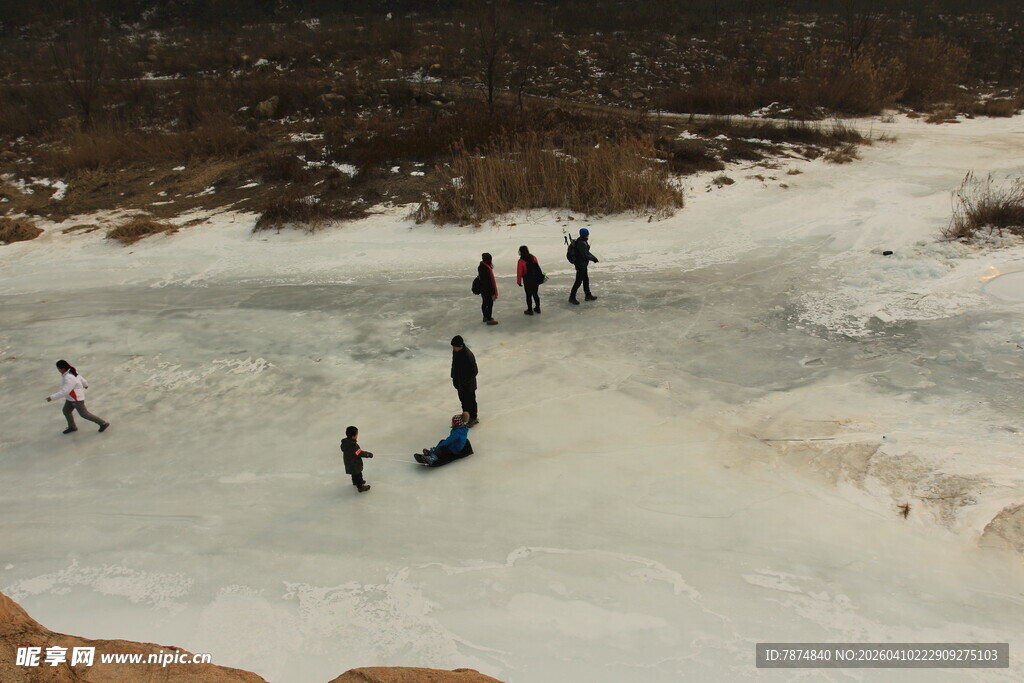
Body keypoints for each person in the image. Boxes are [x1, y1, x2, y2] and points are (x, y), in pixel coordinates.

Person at [45, 360, 110, 435]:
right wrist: (85, 384)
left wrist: (52, 397)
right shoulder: (71, 371)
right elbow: (81, 378)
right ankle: (72, 427)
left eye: (58, 369)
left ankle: (103, 423)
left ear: (63, 369)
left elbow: (65, 391)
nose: (58, 370)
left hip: (76, 399)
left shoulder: (69, 377)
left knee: (84, 414)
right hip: (70, 399)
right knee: (66, 411)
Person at [450, 335, 479, 427]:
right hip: (459, 383)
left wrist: (465, 381)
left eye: (454, 346)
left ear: (460, 346)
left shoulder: (468, 355)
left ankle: (473, 418)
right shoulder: (456, 352)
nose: (453, 348)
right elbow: (454, 364)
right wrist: (453, 376)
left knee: (471, 401)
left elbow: (474, 371)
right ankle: (465, 416)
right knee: (463, 401)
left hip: (468, 385)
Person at [569, 228, 599, 305]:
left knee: (585, 279)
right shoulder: (581, 243)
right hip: (580, 265)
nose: (588, 235)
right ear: (585, 235)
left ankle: (588, 295)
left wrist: (593, 257)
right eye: (587, 234)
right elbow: (584, 255)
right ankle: (572, 297)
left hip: (582, 264)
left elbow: (586, 252)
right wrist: (593, 259)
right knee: (578, 281)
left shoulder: (581, 241)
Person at [340, 425, 374, 492]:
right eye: (356, 434)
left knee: (354, 474)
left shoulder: (346, 443)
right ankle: (360, 487)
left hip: (349, 462)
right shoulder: (353, 446)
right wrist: (368, 454)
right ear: (353, 436)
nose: (357, 436)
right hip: (354, 464)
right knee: (358, 474)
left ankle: (355, 482)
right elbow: (360, 453)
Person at [516, 245, 545, 315]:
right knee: (535, 294)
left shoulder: (521, 261)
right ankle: (537, 308)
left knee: (528, 295)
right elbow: (537, 268)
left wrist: (519, 282)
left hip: (527, 280)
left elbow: (519, 272)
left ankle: (530, 310)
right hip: (536, 279)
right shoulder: (533, 257)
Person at [478, 252, 499, 325]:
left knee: (484, 303)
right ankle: (489, 319)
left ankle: (485, 317)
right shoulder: (486, 269)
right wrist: (493, 293)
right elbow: (489, 282)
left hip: (483, 289)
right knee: (489, 304)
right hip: (487, 290)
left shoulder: (481, 266)